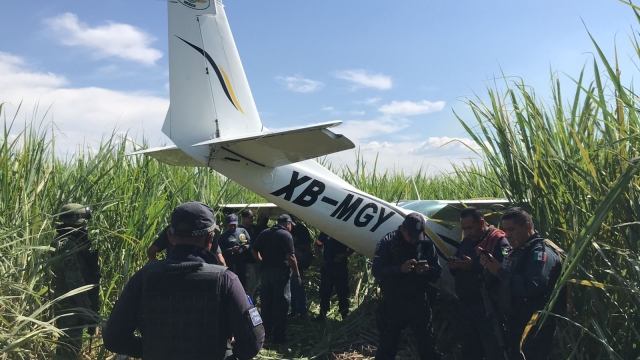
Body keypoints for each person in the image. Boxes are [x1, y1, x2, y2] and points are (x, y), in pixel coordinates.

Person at [103, 202, 264, 359]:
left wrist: (151, 350)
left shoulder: (143, 277)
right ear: (211, 239)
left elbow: (114, 338)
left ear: (170, 237)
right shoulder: (226, 280)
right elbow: (253, 343)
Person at [479, 207, 565, 360]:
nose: (508, 236)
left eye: (512, 230)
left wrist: (499, 271)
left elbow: (531, 286)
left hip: (535, 327)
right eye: (505, 231)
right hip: (515, 322)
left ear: (527, 227)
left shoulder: (540, 252)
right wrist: (490, 267)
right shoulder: (517, 250)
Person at [372, 212, 442, 360]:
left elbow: (438, 273)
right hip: (394, 301)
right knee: (387, 344)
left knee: (427, 343)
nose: (415, 241)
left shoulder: (426, 244)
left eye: (418, 236)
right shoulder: (388, 242)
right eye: (412, 236)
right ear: (403, 229)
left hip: (419, 300)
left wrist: (428, 271)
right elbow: (377, 271)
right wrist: (400, 269)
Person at [448, 207, 510, 360]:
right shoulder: (467, 242)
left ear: (482, 223)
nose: (468, 232)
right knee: (469, 350)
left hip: (488, 307)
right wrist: (455, 265)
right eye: (464, 229)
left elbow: (504, 272)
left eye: (470, 228)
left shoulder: (499, 241)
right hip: (467, 307)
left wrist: (473, 266)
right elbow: (457, 265)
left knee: (493, 350)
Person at [50, 203, 100, 359]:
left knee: (69, 346)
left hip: (72, 303)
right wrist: (88, 310)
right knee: (69, 349)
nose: (85, 224)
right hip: (70, 305)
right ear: (76, 220)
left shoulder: (70, 242)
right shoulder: (67, 245)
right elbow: (75, 282)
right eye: (84, 220)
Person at [251, 214, 301, 344]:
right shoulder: (286, 235)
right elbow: (291, 257)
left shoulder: (265, 232)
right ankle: (279, 337)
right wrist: (297, 274)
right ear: (287, 224)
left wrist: (261, 261)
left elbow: (254, 250)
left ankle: (265, 334)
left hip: (266, 273)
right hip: (281, 275)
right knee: (281, 304)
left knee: (266, 303)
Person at [313, 232, 353, 321]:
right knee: (325, 291)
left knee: (342, 292)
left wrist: (344, 255)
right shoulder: (325, 232)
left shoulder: (345, 232)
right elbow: (317, 245)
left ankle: (344, 315)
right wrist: (320, 259)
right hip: (327, 267)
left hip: (341, 268)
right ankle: (322, 315)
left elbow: (353, 247)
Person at [147, 224, 226, 265]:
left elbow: (151, 251)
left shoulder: (172, 230)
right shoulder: (207, 231)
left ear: (170, 236)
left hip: (171, 272)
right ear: (210, 239)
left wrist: (156, 269)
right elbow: (221, 261)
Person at [289, 215, 313, 318]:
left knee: (298, 285)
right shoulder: (287, 231)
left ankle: (301, 311)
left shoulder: (301, 230)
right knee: (291, 288)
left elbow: (307, 247)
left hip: (299, 262)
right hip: (289, 262)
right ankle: (294, 310)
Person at [219, 214, 252, 288]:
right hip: (231, 264)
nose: (232, 227)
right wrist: (231, 250)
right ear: (227, 225)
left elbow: (251, 243)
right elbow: (220, 252)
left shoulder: (243, 231)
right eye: (230, 225)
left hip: (243, 263)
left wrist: (247, 246)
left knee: (244, 282)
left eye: (234, 225)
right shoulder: (223, 237)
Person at [239, 210, 260, 299]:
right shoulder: (240, 230)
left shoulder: (253, 228)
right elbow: (245, 245)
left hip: (255, 260)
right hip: (247, 261)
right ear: (243, 218)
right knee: (249, 284)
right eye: (249, 217)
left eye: (252, 217)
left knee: (255, 284)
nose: (252, 219)